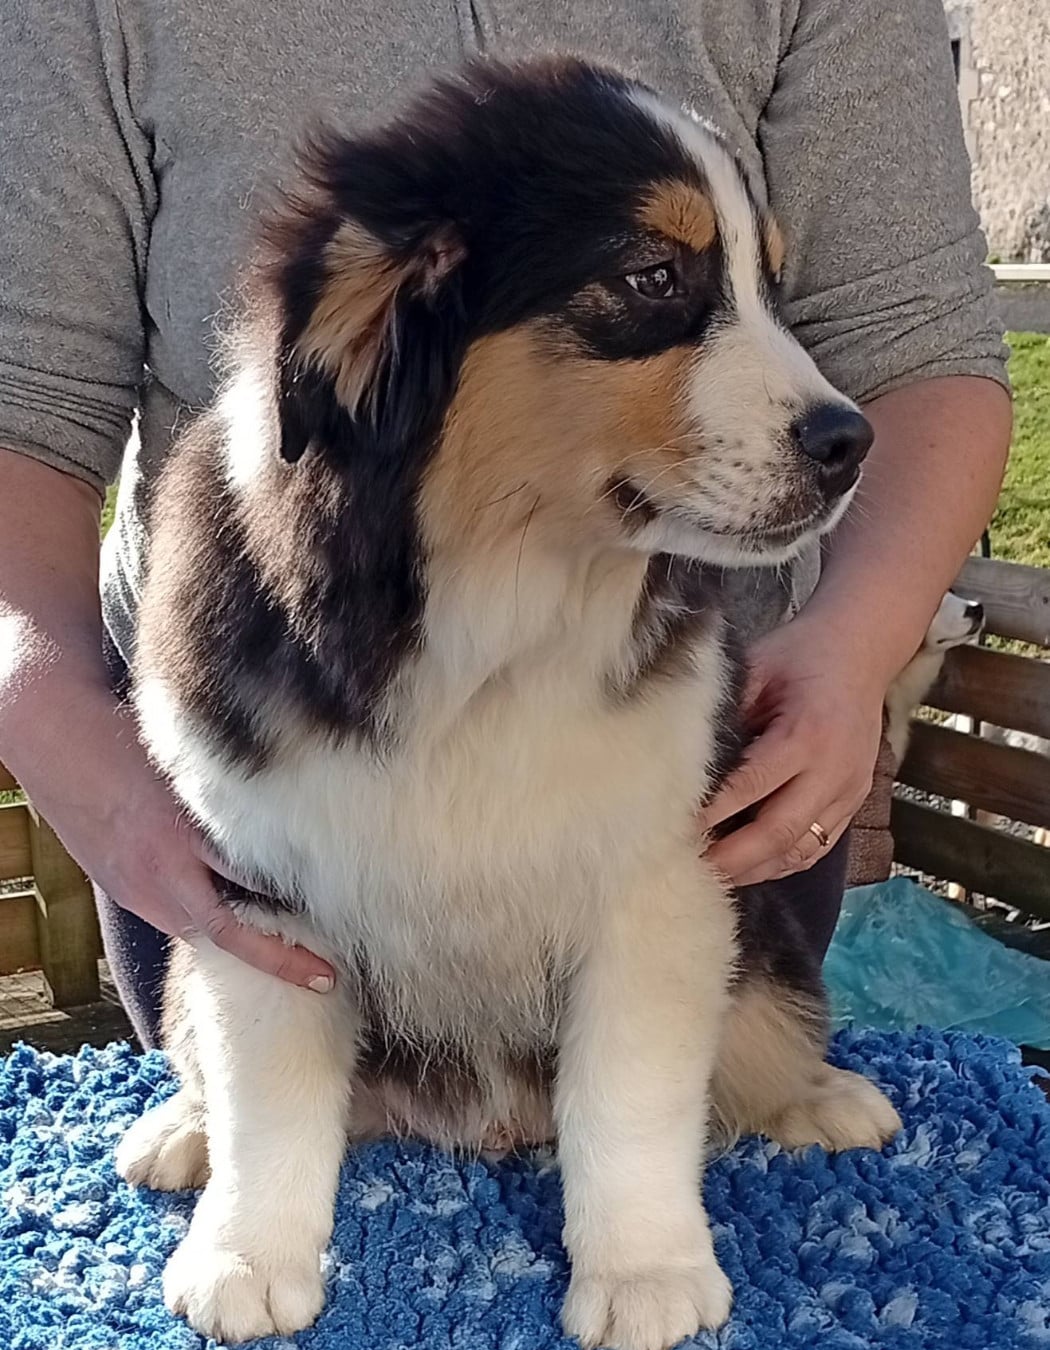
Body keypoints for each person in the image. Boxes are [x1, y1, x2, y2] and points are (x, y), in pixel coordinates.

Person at [0, 0, 1011, 1050]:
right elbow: (21, 408)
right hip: (249, 799)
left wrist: (853, 650)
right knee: (291, 1144)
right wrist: (67, 740)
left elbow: (920, 347)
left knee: (682, 1130)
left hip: (688, 800)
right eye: (655, 277)